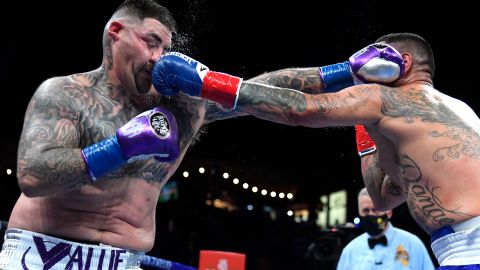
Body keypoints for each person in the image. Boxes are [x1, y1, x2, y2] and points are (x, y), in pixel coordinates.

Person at [152, 32, 480, 268]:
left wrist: (206, 82)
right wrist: (364, 127)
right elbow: (383, 198)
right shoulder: (463, 111)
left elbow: (299, 109)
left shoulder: (387, 98)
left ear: (402, 62)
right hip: (459, 247)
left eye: (378, 53)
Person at [336, 187, 434, 269]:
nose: (371, 215)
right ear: (359, 213)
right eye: (366, 211)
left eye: (376, 210)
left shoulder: (413, 244)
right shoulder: (350, 251)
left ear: (389, 212)